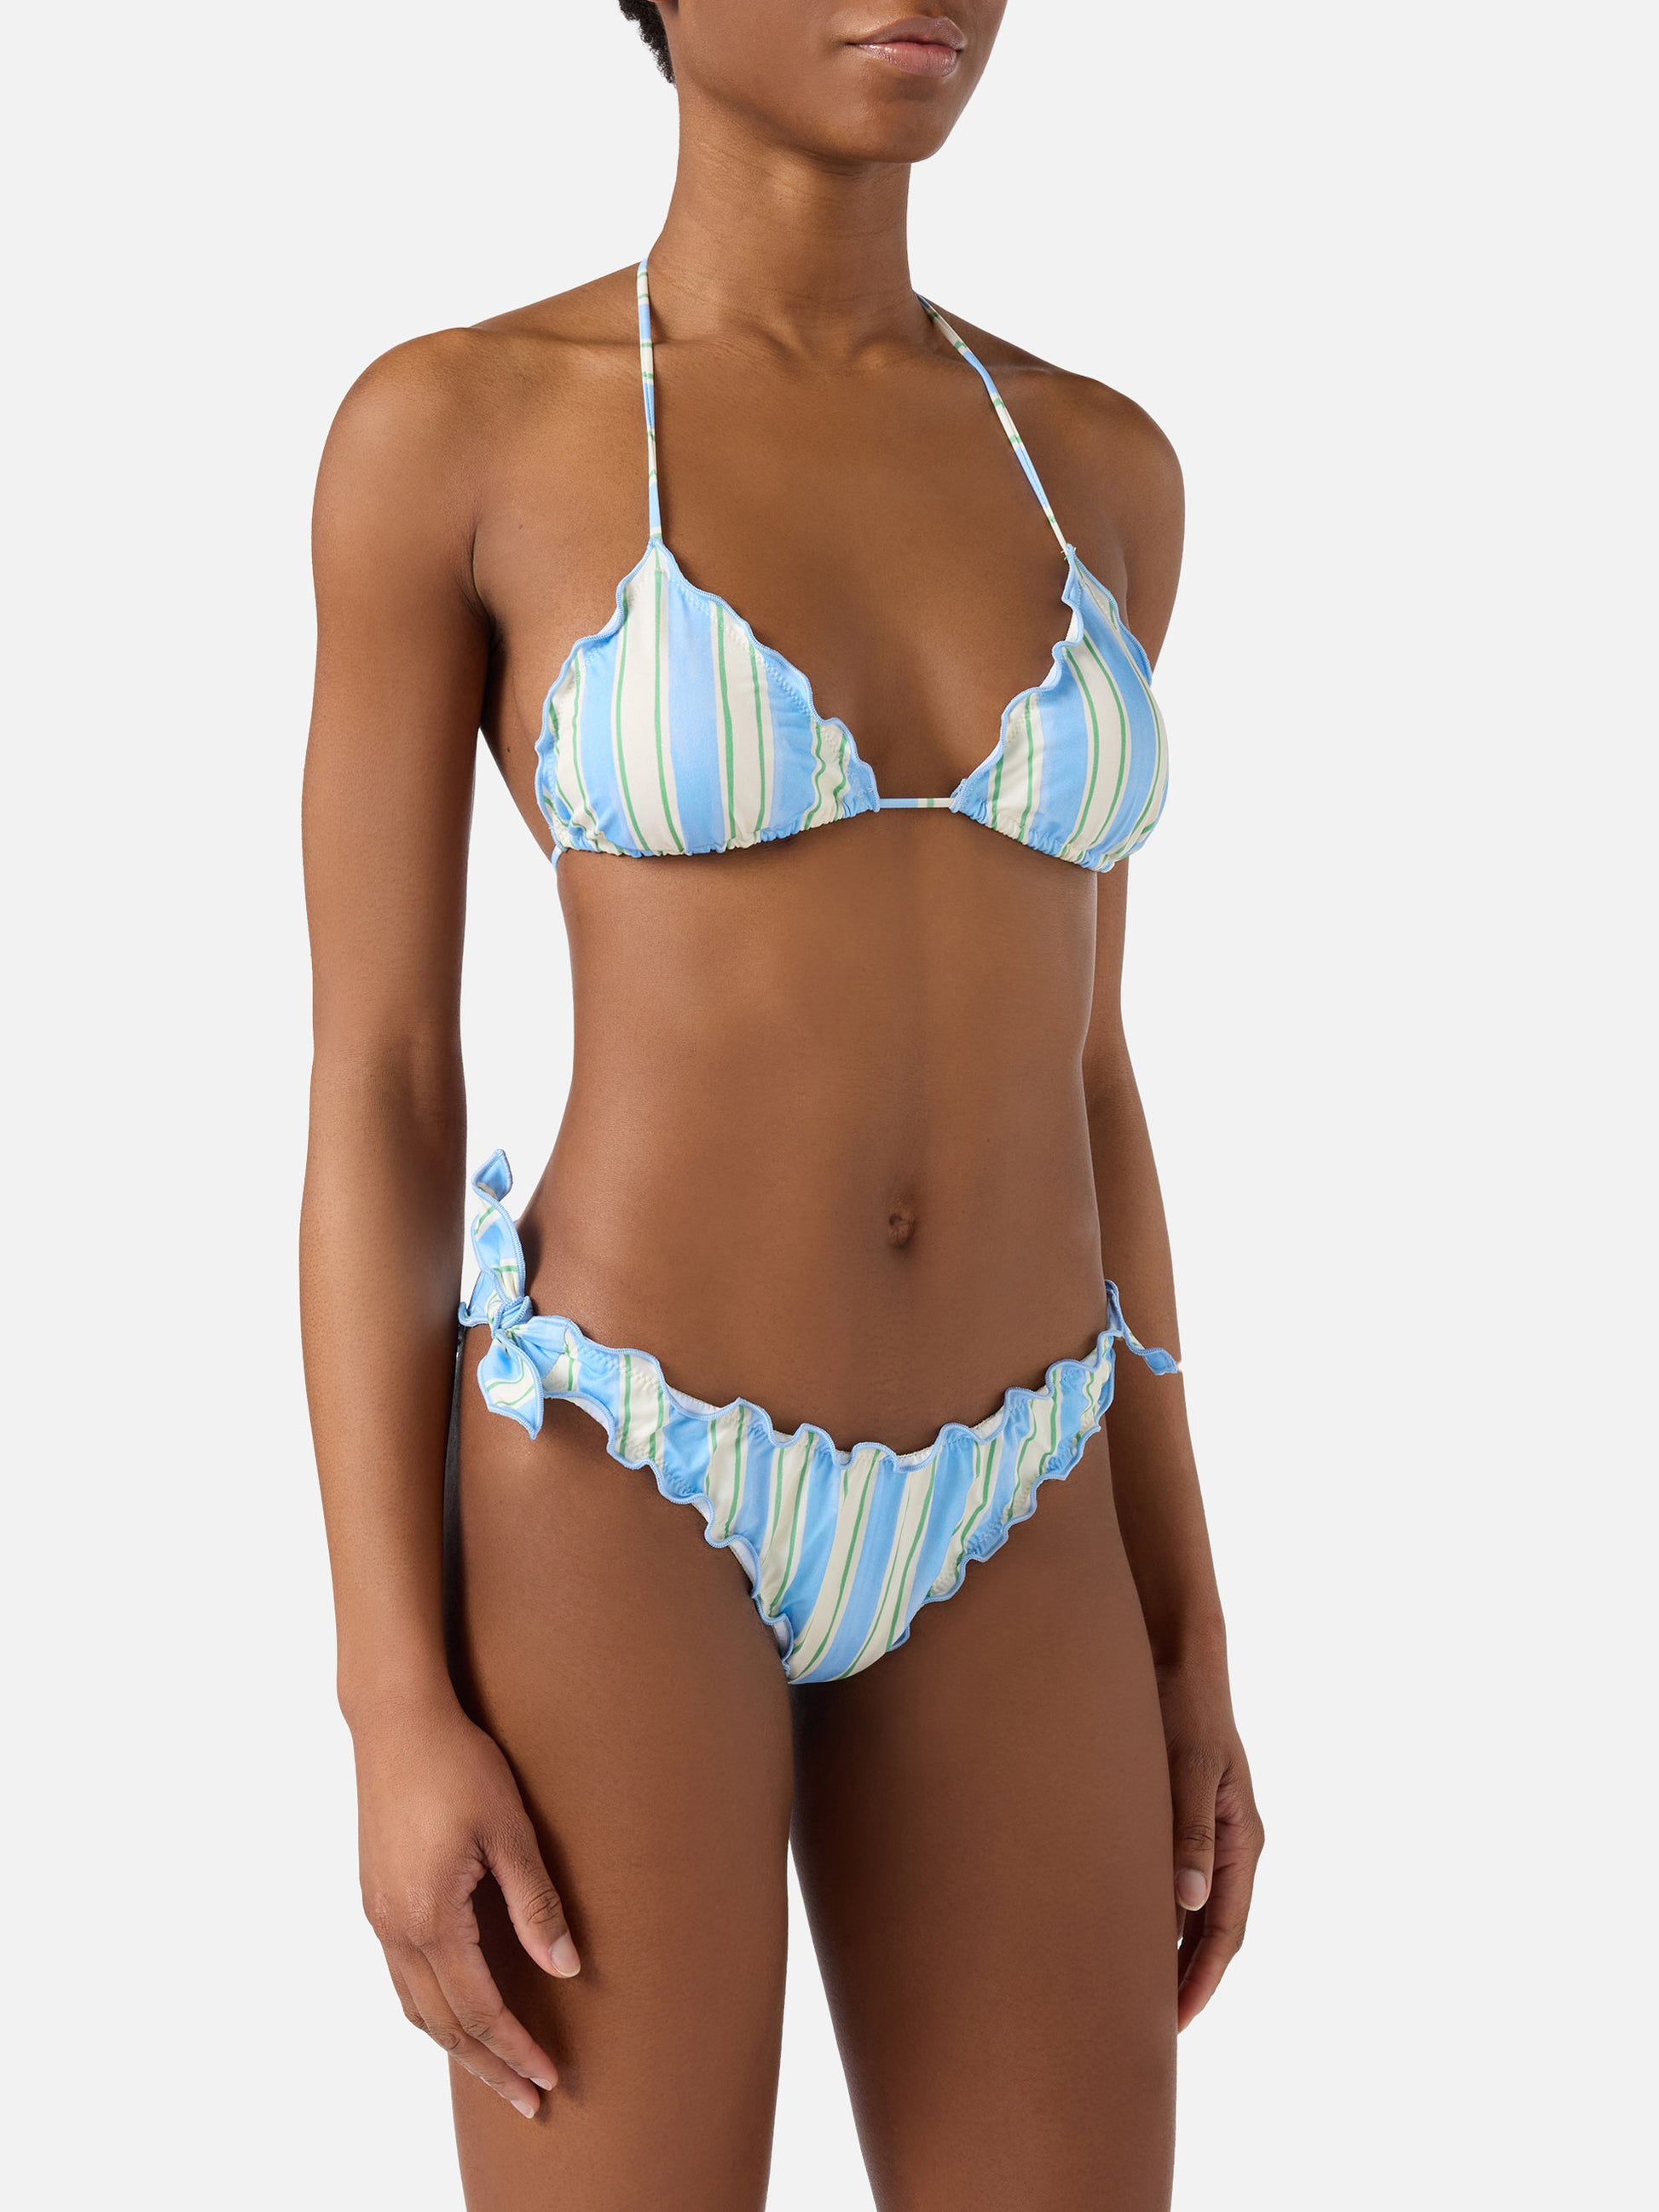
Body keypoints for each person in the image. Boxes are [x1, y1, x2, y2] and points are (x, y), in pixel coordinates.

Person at [300, 4, 1263, 2205]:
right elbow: (381, 1083)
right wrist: (389, 1696)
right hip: (622, 1478)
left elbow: (1090, 1067)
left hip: (1027, 1484)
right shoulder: (458, 430)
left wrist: (1185, 1606)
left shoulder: (1098, 465)